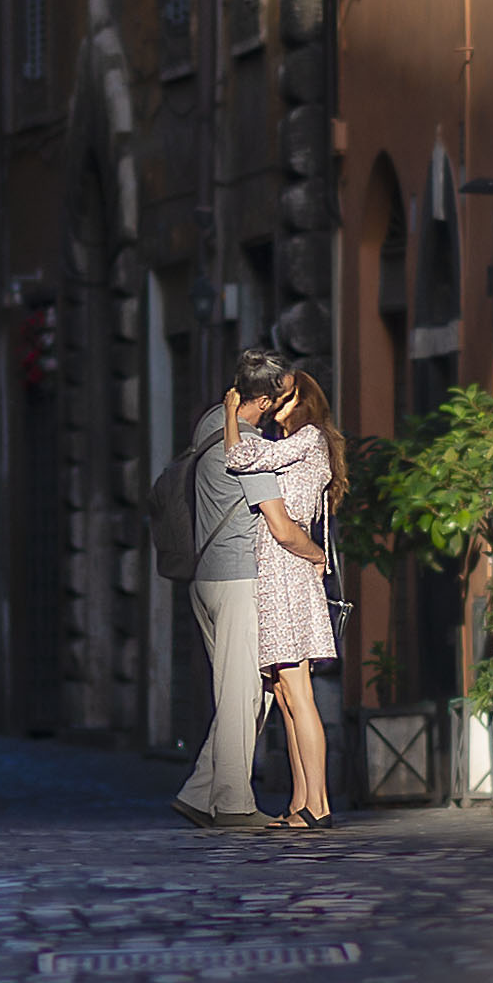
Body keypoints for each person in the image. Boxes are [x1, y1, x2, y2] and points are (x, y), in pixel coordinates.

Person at [173, 349, 326, 834]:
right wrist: (318, 555)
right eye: (277, 398)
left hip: (204, 578)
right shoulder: (254, 448)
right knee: (244, 695)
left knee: (247, 689)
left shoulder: (208, 425)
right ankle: (234, 803)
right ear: (262, 402)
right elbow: (279, 523)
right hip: (240, 577)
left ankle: (200, 793)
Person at [223, 367, 347, 832]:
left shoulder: (310, 437)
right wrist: (234, 415)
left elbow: (239, 458)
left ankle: (319, 803)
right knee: (287, 695)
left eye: (287, 400)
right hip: (279, 576)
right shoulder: (288, 451)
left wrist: (232, 414)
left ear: (306, 402)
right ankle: (300, 801)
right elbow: (242, 453)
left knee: (300, 694)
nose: (277, 408)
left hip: (290, 575)